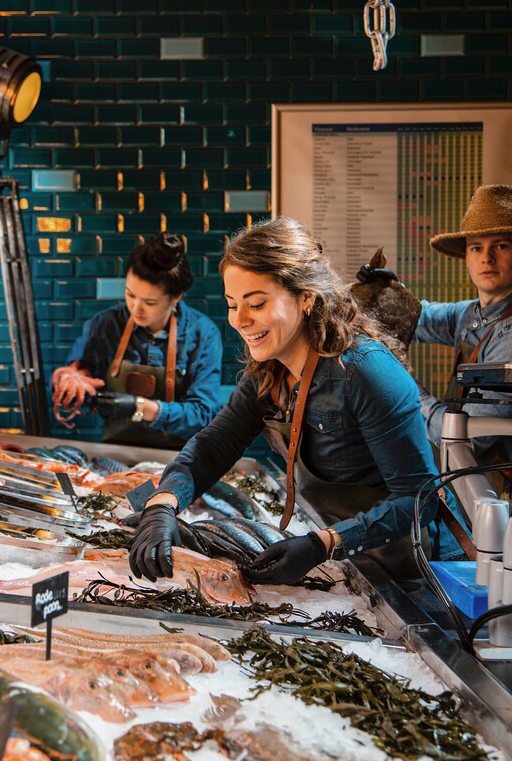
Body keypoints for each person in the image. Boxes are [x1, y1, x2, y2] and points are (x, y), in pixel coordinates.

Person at [128, 217, 467, 586]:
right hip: (359, 563)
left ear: (306, 298)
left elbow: (419, 499)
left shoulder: (368, 372)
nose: (239, 320)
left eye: (256, 303)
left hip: (426, 573)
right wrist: (163, 503)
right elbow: (214, 445)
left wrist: (325, 544)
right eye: (231, 304)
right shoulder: (269, 372)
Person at [413, 184, 512, 517]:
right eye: (476, 247)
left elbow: (470, 436)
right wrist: (382, 292)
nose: (487, 258)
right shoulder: (474, 314)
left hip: (500, 504)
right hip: (465, 486)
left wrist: (408, 394)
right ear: (466, 256)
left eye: (501, 246)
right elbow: (417, 318)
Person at [51, 233, 223, 450]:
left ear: (176, 296)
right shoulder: (105, 324)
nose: (136, 309)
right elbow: (79, 372)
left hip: (182, 459)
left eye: (150, 302)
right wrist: (72, 381)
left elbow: (204, 414)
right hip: (115, 456)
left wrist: (139, 407)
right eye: (130, 295)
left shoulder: (202, 333)